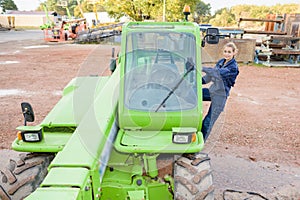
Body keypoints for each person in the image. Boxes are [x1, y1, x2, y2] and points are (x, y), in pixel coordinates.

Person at [201, 42, 239, 141]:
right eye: (225, 51)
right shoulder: (221, 62)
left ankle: (199, 144)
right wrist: (196, 82)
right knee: (194, 93)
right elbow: (208, 77)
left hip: (220, 97)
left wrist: (201, 67)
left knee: (207, 122)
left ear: (234, 53)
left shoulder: (233, 67)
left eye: (229, 52)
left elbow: (216, 73)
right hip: (212, 92)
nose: (227, 54)